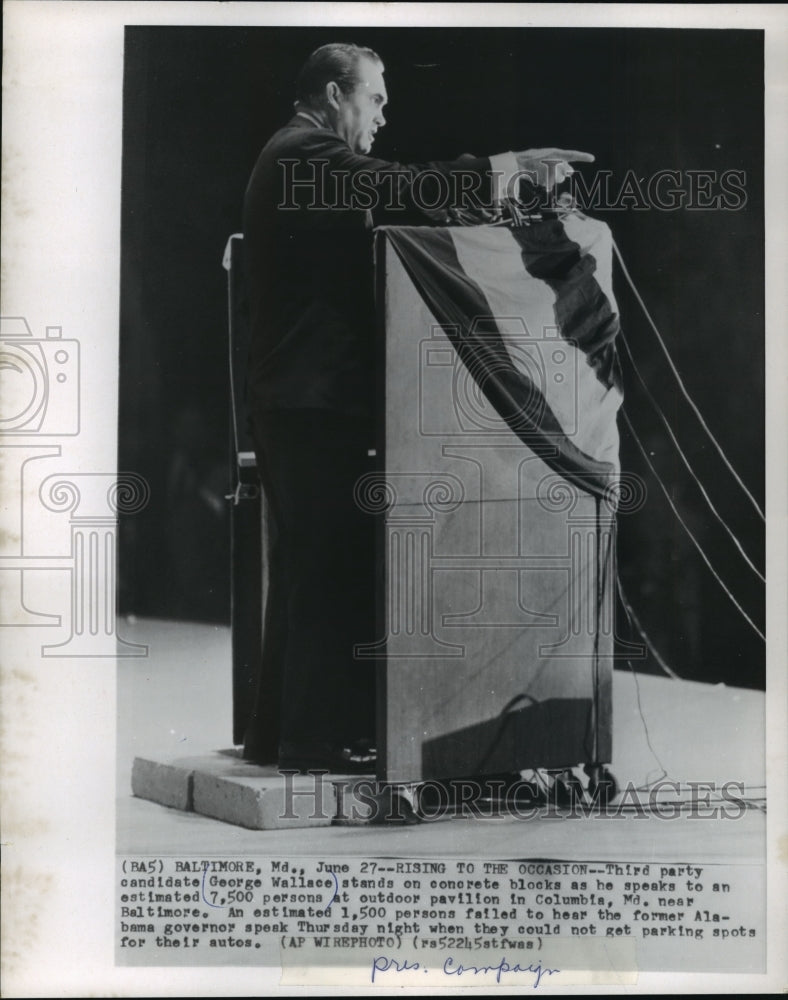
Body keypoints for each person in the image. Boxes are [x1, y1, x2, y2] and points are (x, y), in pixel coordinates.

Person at [242, 41, 593, 774]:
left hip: (300, 400)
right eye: (374, 99)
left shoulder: (294, 154)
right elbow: (401, 185)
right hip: (311, 403)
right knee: (327, 566)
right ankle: (312, 743)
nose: (383, 114)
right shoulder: (307, 154)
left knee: (309, 565)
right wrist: (508, 168)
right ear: (335, 95)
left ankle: (280, 734)